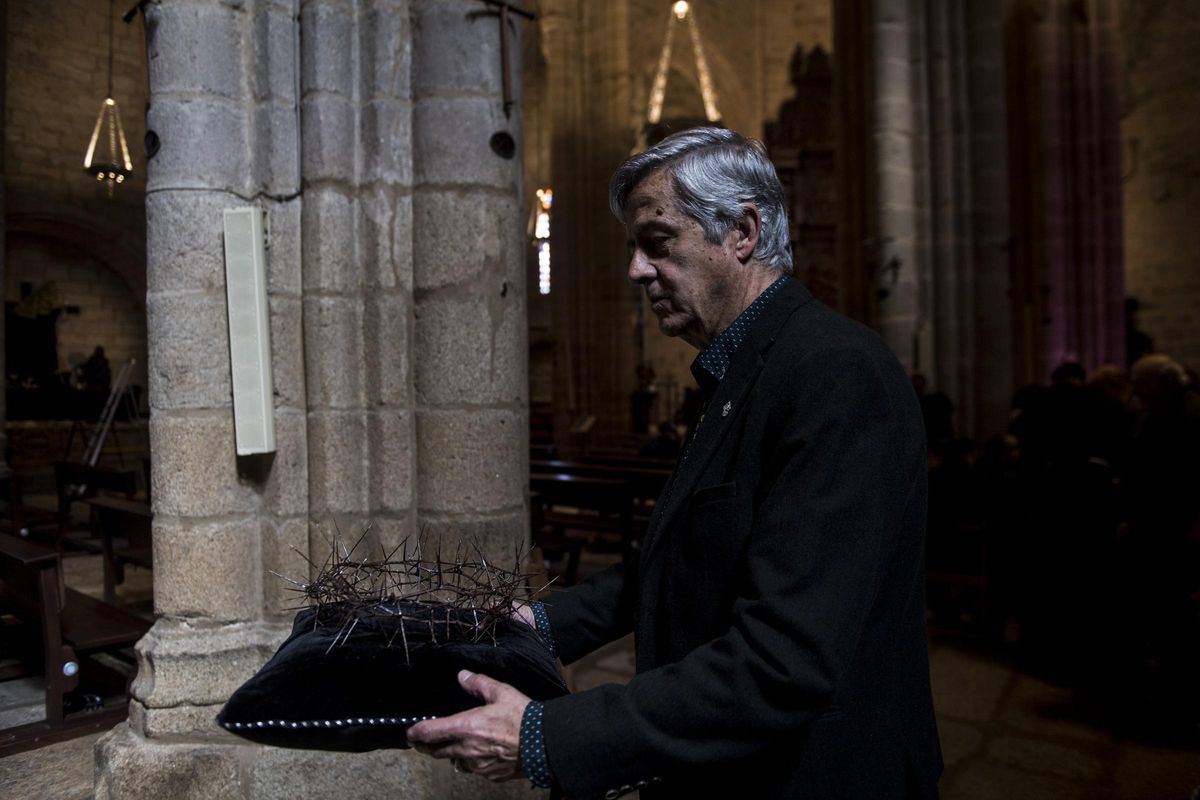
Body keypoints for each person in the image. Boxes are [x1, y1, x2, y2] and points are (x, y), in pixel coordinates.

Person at [408, 127, 942, 798]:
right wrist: (538, 626)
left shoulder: (833, 374)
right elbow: (685, 556)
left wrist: (545, 736)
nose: (635, 269)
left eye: (657, 243)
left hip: (816, 774)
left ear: (742, 233)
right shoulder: (745, 368)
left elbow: (783, 662)